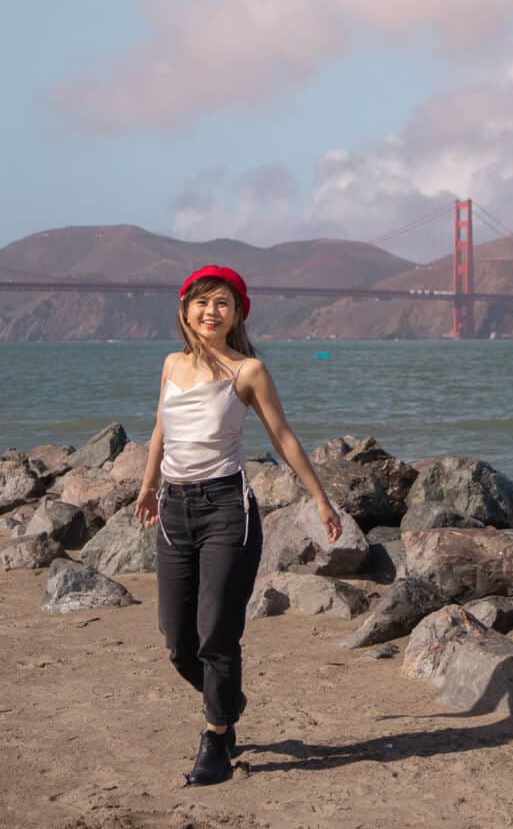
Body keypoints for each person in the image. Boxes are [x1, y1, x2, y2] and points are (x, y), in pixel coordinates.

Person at [135, 264, 342, 786]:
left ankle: (215, 737)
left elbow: (283, 436)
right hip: (174, 510)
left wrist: (320, 498)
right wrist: (147, 486)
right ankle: (227, 697)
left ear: (237, 313)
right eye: (202, 302)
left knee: (216, 634)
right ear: (185, 309)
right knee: (178, 640)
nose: (211, 311)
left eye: (223, 303)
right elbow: (162, 426)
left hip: (227, 509)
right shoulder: (170, 364)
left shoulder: (248, 371)